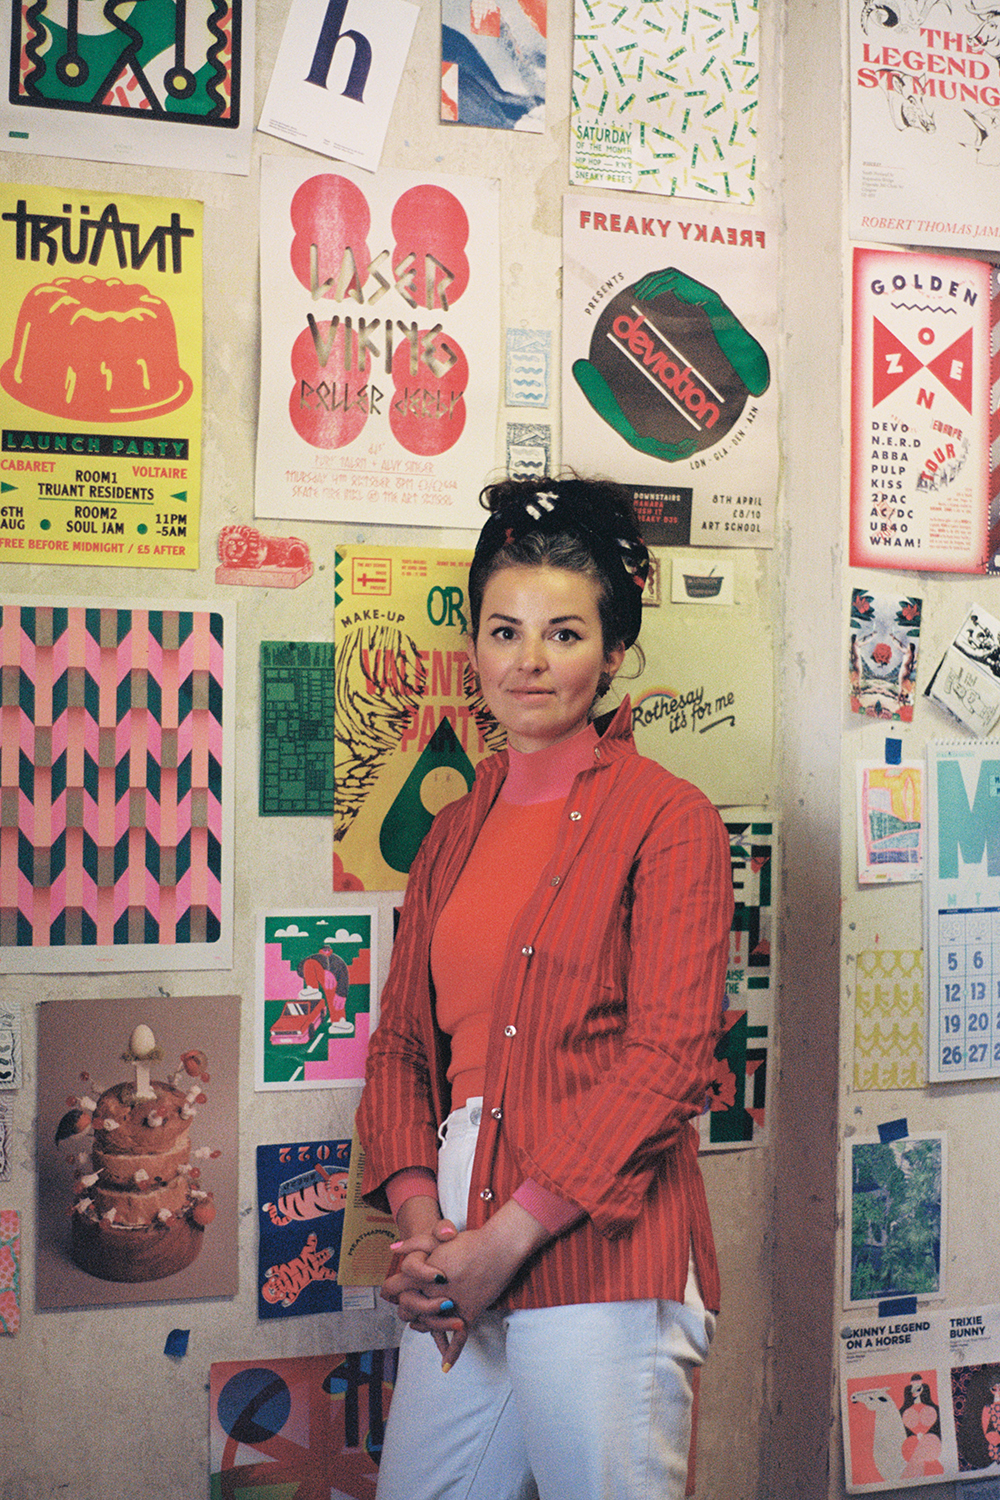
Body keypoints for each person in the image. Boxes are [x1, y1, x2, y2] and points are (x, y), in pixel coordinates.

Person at [356, 474, 733, 1500]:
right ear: (471, 645)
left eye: (563, 634)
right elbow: (400, 1046)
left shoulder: (670, 818)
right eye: (503, 630)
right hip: (456, 1217)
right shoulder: (451, 830)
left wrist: (508, 1237)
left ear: (612, 654)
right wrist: (420, 1220)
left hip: (604, 1249)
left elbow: (668, 1059)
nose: (527, 662)